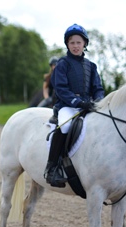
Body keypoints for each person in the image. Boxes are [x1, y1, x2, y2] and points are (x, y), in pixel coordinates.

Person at [44, 23, 104, 188]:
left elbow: (98, 88)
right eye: (72, 43)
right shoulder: (62, 64)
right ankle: (52, 168)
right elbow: (61, 89)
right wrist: (78, 102)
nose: (75, 46)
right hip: (67, 106)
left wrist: (99, 102)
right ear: (67, 45)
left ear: (84, 43)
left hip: (88, 105)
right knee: (65, 126)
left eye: (78, 42)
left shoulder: (91, 66)